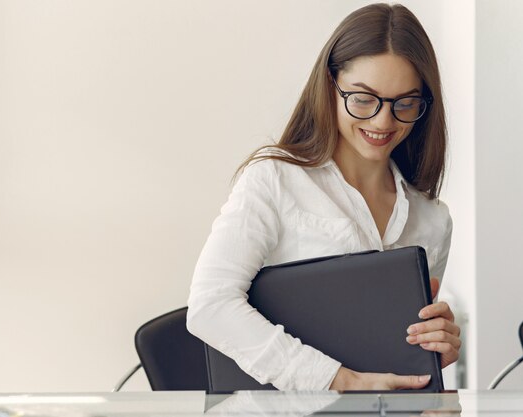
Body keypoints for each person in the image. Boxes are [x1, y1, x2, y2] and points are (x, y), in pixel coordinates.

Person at [186, 3, 461, 391]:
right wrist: (336, 380)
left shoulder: (433, 219)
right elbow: (210, 307)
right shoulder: (275, 179)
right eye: (363, 98)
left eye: (405, 103)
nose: (383, 122)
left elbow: (397, 350)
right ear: (329, 85)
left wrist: (433, 348)